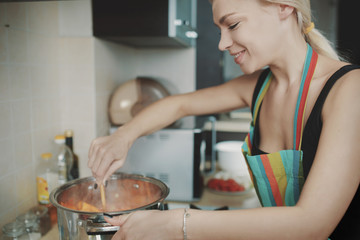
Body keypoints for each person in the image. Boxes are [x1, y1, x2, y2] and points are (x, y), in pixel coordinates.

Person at [88, 0, 360, 239]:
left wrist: (176, 224)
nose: (222, 43)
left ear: (284, 7)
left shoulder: (350, 89)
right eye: (220, 30)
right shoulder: (259, 87)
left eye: (232, 24)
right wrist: (122, 136)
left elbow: (311, 225)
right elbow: (179, 105)